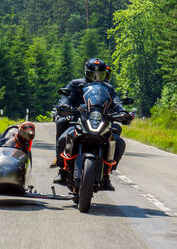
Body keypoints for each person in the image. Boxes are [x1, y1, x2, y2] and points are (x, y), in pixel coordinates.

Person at [53, 58, 131, 191]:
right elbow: (66, 96)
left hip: (101, 121)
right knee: (62, 132)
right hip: (78, 120)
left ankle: (106, 174)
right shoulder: (76, 84)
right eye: (92, 74)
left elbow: (117, 103)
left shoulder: (108, 88)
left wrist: (123, 112)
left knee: (119, 141)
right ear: (86, 72)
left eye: (99, 74)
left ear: (104, 74)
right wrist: (64, 105)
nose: (96, 77)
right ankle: (62, 169)